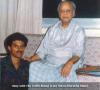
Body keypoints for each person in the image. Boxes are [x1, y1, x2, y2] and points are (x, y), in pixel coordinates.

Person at [27, 0, 85, 82]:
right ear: (59, 14)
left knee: (66, 72)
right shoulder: (52, 29)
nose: (65, 13)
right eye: (62, 11)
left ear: (73, 13)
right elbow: (43, 51)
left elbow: (78, 53)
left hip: (69, 62)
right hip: (50, 63)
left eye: (68, 11)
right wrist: (30, 59)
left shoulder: (79, 30)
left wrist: (69, 63)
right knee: (33, 66)